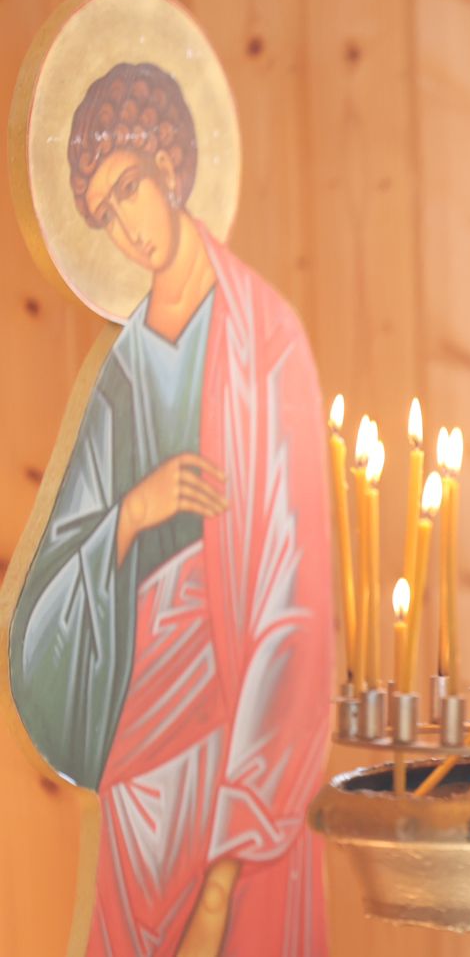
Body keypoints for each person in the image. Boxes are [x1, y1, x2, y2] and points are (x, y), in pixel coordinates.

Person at [10, 62, 331, 956]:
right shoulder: (119, 374)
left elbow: (295, 598)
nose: (125, 227)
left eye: (130, 191)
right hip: (144, 724)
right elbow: (52, 588)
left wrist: (231, 863)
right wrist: (130, 514)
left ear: (171, 164)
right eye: (105, 213)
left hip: (235, 735)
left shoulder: (267, 342)